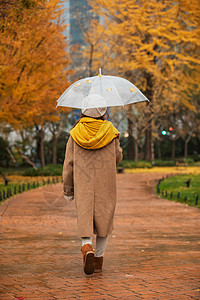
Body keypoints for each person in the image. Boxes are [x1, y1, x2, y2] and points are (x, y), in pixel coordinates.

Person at [62, 94, 123, 275]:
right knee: (103, 223)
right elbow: (117, 157)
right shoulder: (111, 132)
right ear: (104, 111)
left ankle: (86, 247)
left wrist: (68, 189)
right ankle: (98, 260)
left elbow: (68, 164)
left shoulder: (75, 134)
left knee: (85, 217)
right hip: (106, 185)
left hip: (83, 185)